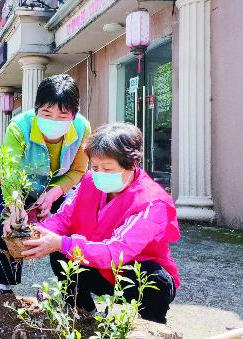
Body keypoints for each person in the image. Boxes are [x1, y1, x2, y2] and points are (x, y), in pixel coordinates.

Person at [21, 122, 180, 324]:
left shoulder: (151, 202)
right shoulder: (90, 182)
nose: (99, 174)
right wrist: (36, 234)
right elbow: (64, 218)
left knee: (155, 281)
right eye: (95, 167)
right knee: (60, 253)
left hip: (132, 274)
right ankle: (84, 315)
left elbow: (117, 252)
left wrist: (62, 243)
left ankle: (152, 333)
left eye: (108, 168)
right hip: (99, 268)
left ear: (131, 165)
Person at [0, 74, 91, 293]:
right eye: (46, 113)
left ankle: (71, 292)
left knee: (62, 236)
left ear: (74, 115)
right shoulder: (19, 126)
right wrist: (15, 207)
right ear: (36, 109)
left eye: (62, 115)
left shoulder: (83, 128)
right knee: (10, 230)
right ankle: (4, 287)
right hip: (20, 187)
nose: (53, 121)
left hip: (57, 187)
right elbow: (10, 171)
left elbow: (77, 170)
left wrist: (53, 195)